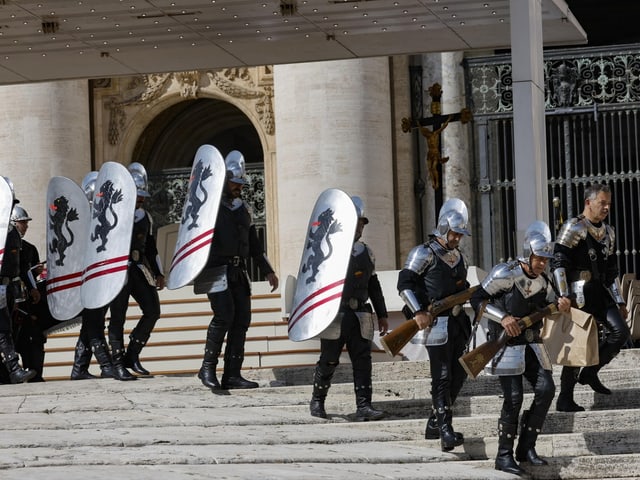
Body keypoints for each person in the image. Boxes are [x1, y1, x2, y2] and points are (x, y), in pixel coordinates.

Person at [470, 221, 571, 476]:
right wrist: (502, 317)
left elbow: (550, 309)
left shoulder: (545, 280)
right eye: (539, 259)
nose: (542, 264)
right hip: (506, 344)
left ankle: (526, 447)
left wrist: (561, 306)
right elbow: (478, 299)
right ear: (529, 254)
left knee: (547, 389)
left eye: (546, 260)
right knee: (513, 398)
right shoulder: (506, 273)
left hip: (532, 343)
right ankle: (503, 455)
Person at [197, 150, 278, 391]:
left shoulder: (243, 210)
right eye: (235, 182)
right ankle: (207, 368)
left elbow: (254, 244)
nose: (238, 187)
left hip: (237, 272)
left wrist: (267, 270)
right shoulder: (209, 207)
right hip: (215, 270)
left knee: (242, 320)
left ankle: (232, 373)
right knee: (224, 316)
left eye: (241, 183)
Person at [396, 198, 471, 451]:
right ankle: (446, 432)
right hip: (435, 324)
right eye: (454, 233)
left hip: (457, 325)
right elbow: (405, 283)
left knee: (458, 375)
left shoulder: (461, 258)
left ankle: (434, 423)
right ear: (443, 228)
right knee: (441, 377)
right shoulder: (423, 253)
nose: (457, 239)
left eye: (460, 235)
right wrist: (418, 311)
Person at [551, 183, 630, 412]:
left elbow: (612, 270)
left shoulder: (609, 232)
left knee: (620, 332)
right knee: (577, 346)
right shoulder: (573, 227)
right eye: (602, 203)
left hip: (600, 292)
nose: (606, 208)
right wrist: (563, 295)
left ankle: (591, 371)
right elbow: (558, 263)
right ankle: (565, 398)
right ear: (588, 202)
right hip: (578, 294)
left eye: (608, 204)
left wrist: (620, 300)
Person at [309, 196, 389, 421]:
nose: (360, 227)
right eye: (357, 222)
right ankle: (318, 401)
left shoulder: (366, 252)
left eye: (362, 224)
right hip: (336, 313)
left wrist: (382, 314)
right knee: (329, 358)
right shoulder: (329, 246)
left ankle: (364, 406)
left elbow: (374, 284)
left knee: (363, 361)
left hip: (360, 313)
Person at [70, 171, 133, 381]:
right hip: (88, 279)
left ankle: (79, 368)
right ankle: (106, 366)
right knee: (94, 323)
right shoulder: (83, 220)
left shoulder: (101, 214)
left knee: (92, 324)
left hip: (103, 275)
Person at [108, 163, 165, 377]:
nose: (141, 199)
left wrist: (159, 273)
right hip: (117, 271)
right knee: (117, 317)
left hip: (139, 268)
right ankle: (117, 362)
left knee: (152, 311)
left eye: (143, 196)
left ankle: (132, 354)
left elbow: (151, 247)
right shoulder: (113, 212)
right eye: (137, 195)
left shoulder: (145, 218)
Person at [11, 205, 54, 382]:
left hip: (28, 302)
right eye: (22, 223)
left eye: (26, 223)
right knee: (11, 338)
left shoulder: (29, 248)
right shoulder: (5, 245)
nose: (26, 226)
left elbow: (31, 272)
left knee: (34, 337)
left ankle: (36, 374)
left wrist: (36, 272)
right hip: (9, 300)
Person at [0, 178, 36, 384]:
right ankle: (13, 369)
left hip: (10, 287)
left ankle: (8, 373)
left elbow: (21, 265)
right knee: (3, 328)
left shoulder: (12, 232)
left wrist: (27, 287)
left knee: (9, 329)